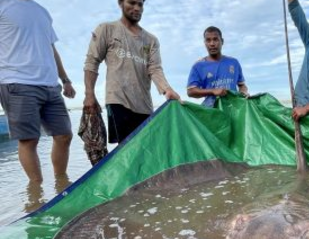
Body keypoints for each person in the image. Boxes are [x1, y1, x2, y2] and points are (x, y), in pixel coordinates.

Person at [83, 0, 181, 144]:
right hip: (117, 100)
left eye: (140, 4)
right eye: (132, 3)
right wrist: (89, 94)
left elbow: (154, 68)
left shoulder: (151, 40)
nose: (137, 8)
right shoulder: (107, 29)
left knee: (146, 149)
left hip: (144, 105)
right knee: (126, 149)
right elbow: (92, 61)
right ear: (120, 3)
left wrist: (167, 90)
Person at [0, 0, 76, 183]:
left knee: (64, 135)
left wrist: (65, 80)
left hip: (50, 84)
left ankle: (61, 184)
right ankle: (37, 193)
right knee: (29, 140)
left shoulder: (42, 11)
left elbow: (51, 48)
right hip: (16, 82)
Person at [187, 26, 249, 108]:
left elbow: (242, 85)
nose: (212, 44)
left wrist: (243, 92)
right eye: (208, 40)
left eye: (215, 39)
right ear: (205, 43)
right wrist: (213, 91)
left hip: (234, 108)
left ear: (222, 41)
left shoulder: (234, 62)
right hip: (212, 111)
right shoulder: (198, 66)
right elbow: (191, 91)